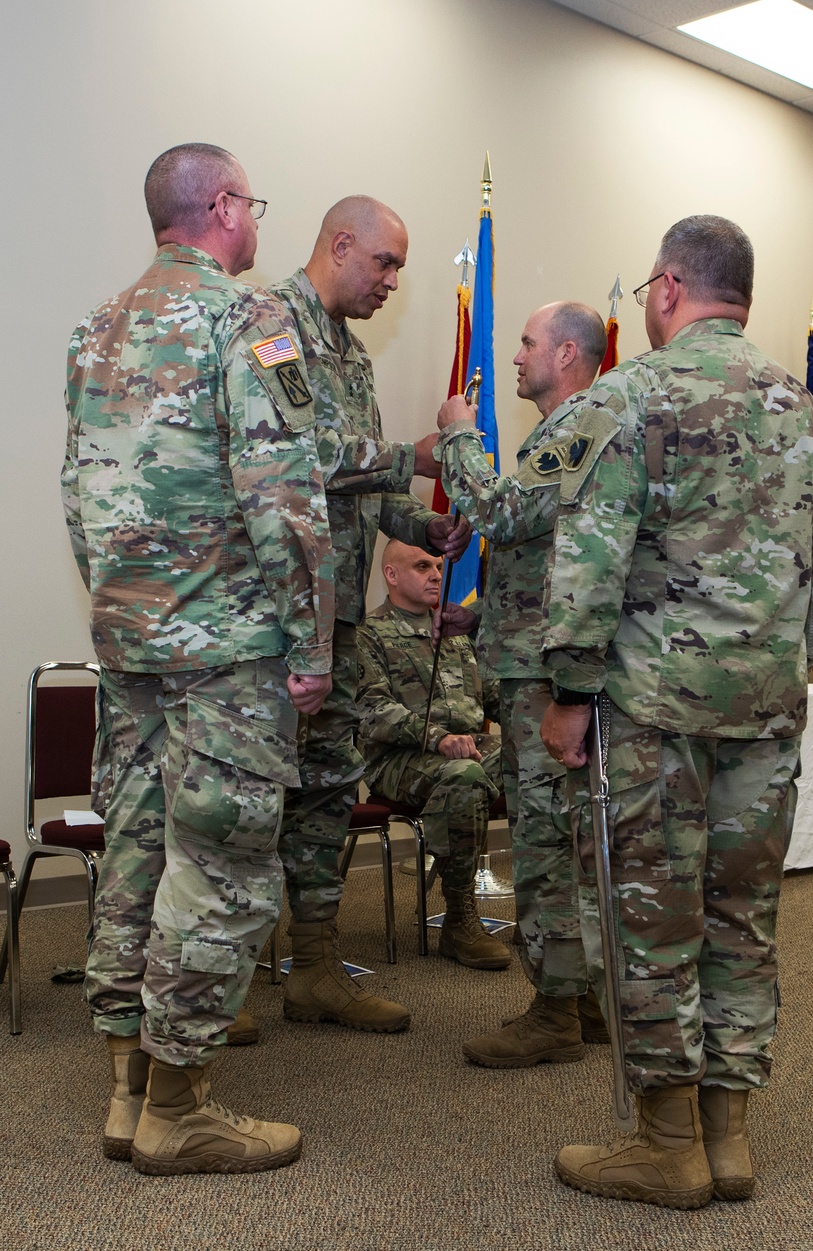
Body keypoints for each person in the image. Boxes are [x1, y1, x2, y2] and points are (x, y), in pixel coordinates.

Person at [537, 216, 813, 1209]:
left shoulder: (630, 394)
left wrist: (570, 690)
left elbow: (587, 555)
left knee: (650, 918)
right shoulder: (800, 407)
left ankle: (665, 1143)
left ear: (668, 289)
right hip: (764, 710)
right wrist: (775, 664)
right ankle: (729, 1140)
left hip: (653, 711)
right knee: (741, 917)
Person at [62, 143, 335, 1174]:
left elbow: (77, 497)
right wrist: (310, 642)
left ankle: (130, 1089)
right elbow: (285, 498)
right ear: (223, 207)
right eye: (251, 202)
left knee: (135, 851)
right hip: (226, 651)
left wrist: (123, 609)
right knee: (217, 869)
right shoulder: (250, 321)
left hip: (131, 646)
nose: (255, 220)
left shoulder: (96, 329)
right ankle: (180, 1108)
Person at [271, 197, 469, 1034]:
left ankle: (314, 965)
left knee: (321, 792)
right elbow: (283, 452)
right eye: (384, 263)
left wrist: (424, 522)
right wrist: (409, 455)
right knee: (250, 795)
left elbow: (362, 488)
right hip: (277, 613)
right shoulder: (272, 328)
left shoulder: (351, 356)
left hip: (340, 614)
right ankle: (211, 979)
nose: (393, 282)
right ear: (339, 244)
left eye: (399, 269)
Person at [435, 301, 608, 1064]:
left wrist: (456, 436)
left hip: (546, 678)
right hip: (542, 654)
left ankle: (555, 1011)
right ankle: (590, 996)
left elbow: (502, 515)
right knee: (570, 839)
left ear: (567, 352)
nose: (515, 356)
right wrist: (488, 620)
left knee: (544, 842)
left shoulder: (574, 427)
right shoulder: (575, 428)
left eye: (528, 344)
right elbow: (550, 554)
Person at [355, 541, 510, 969]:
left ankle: (551, 913)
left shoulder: (455, 634)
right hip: (398, 760)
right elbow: (372, 711)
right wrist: (438, 737)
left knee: (542, 766)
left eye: (439, 566)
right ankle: (460, 919)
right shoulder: (368, 635)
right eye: (422, 566)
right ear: (391, 575)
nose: (437, 576)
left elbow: (494, 696)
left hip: (468, 748)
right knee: (463, 776)